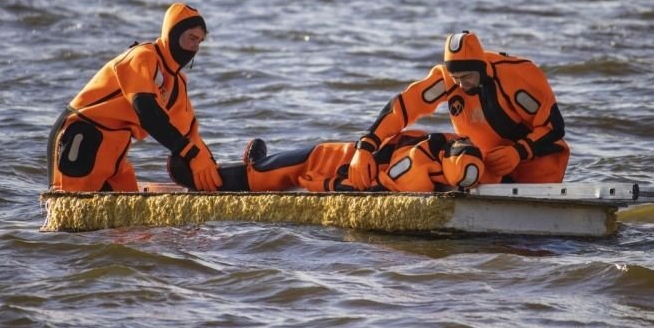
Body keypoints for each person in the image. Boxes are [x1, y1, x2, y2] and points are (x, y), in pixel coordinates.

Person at [348, 31, 569, 189]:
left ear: (481, 67)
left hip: (537, 166)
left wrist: (520, 151)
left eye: (467, 78)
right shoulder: (447, 80)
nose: (461, 85)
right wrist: (366, 146)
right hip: (487, 165)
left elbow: (554, 127)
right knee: (414, 143)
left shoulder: (519, 76)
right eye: (456, 79)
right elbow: (404, 107)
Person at [47, 2, 223, 192]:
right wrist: (188, 152)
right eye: (191, 38)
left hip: (115, 152)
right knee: (71, 216)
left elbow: (189, 134)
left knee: (128, 220)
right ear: (172, 33)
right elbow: (146, 111)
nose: (195, 47)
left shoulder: (177, 83)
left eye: (199, 41)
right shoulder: (143, 57)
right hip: (81, 137)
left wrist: (209, 166)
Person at [169, 130, 485, 193]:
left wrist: (328, 184)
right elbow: (370, 183)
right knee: (266, 172)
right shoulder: (435, 148)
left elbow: (370, 186)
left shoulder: (436, 145)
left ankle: (252, 159)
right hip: (333, 158)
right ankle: (254, 159)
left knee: (266, 172)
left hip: (330, 159)